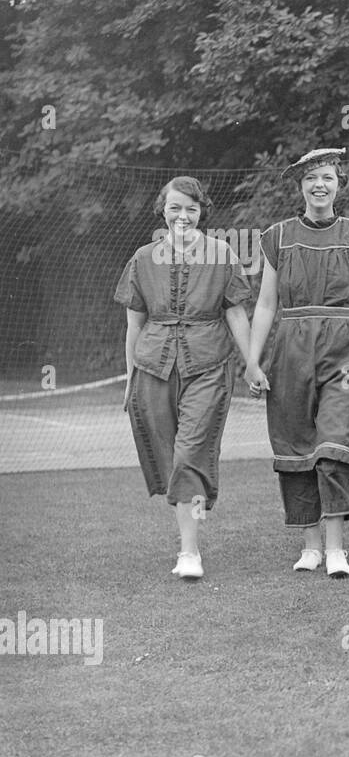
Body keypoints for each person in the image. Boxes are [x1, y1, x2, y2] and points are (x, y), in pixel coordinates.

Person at [245, 147, 349, 578]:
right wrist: (253, 361)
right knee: (296, 442)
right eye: (311, 179)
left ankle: (336, 548)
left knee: (333, 443)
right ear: (300, 186)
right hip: (290, 346)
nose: (319, 185)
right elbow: (266, 304)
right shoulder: (278, 237)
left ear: (339, 183)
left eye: (326, 177)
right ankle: (310, 546)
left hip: (344, 349)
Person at [115, 177, 253, 579]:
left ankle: (189, 553)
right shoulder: (143, 259)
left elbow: (235, 313)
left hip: (208, 365)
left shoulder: (221, 254)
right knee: (170, 457)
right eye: (175, 207)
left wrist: (253, 364)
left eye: (191, 208)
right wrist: (129, 376)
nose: (183, 216)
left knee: (190, 452)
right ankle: (188, 537)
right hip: (153, 369)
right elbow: (134, 325)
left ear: (201, 211)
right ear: (163, 210)